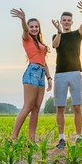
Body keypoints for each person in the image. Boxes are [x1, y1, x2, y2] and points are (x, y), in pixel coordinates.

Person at [51, 1, 82, 149]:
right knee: (60, 107)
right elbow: (55, 45)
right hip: (60, 74)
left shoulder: (77, 34)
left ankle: (79, 137)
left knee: (77, 107)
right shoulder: (57, 35)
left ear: (72, 22)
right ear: (61, 22)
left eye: (69, 20)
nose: (66, 22)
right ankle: (61, 138)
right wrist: (60, 32)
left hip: (75, 73)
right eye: (64, 20)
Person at [10, 8, 53, 142]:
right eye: (31, 26)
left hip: (41, 74)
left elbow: (44, 62)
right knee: (28, 106)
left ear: (39, 28)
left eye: (36, 26)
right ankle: (13, 138)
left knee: (36, 108)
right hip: (32, 73)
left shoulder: (40, 44)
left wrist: (49, 77)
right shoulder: (26, 38)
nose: (34, 29)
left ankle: (31, 140)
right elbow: (24, 30)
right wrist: (23, 20)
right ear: (28, 28)